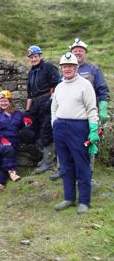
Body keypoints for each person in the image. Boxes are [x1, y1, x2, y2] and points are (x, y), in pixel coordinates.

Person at [50, 38, 110, 181]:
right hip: (65, 118)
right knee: (65, 146)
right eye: (75, 50)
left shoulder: (93, 69)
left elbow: (102, 89)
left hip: (86, 116)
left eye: (80, 50)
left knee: (87, 144)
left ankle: (87, 173)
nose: (77, 52)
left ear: (85, 53)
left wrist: (103, 107)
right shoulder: (65, 72)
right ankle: (63, 170)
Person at [51, 52, 99, 214]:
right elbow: (54, 108)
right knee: (65, 164)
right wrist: (54, 123)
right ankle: (69, 197)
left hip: (78, 127)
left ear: (76, 67)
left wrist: (93, 129)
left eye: (70, 66)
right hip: (60, 128)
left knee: (82, 164)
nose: (67, 69)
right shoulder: (59, 86)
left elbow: (92, 109)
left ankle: (84, 201)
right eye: (64, 66)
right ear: (61, 68)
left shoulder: (85, 85)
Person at [25, 45, 60, 175]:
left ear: (40, 56)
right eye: (31, 57)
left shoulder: (48, 67)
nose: (33, 59)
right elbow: (30, 94)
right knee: (36, 131)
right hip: (36, 104)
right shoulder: (31, 72)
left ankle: (49, 164)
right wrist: (27, 111)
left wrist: (51, 100)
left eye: (35, 56)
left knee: (47, 131)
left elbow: (57, 84)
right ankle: (46, 158)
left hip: (48, 101)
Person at [0, 90, 31, 191]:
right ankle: (12, 171)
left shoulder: (17, 114)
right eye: (1, 101)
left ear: (10, 101)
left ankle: (0, 183)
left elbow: (21, 125)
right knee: (8, 150)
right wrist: (1, 138)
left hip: (14, 142)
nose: (3, 103)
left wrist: (26, 122)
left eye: (5, 101)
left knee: (7, 159)